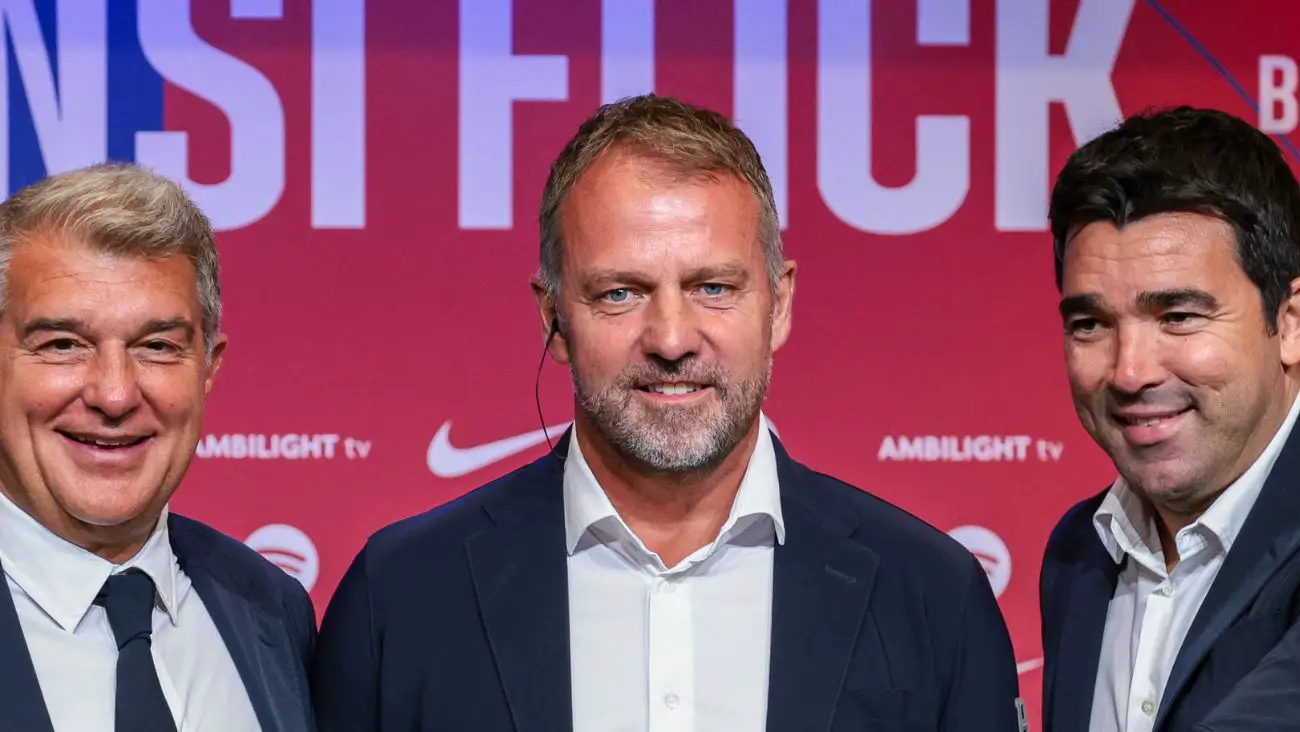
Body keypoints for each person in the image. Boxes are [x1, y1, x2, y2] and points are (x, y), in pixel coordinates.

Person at [310, 93, 1023, 731]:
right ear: (552, 317)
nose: (673, 339)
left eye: (714, 287)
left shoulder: (934, 599)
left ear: (780, 304)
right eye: (621, 293)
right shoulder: (400, 597)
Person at [0, 163, 317, 732]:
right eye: (64, 344)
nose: (115, 393)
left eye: (158, 347)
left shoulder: (271, 607)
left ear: (208, 369)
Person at [1039, 105, 1300, 731]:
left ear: (1289, 323)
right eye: (1091, 324)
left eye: (1178, 316)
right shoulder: (1078, 556)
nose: (1130, 372)